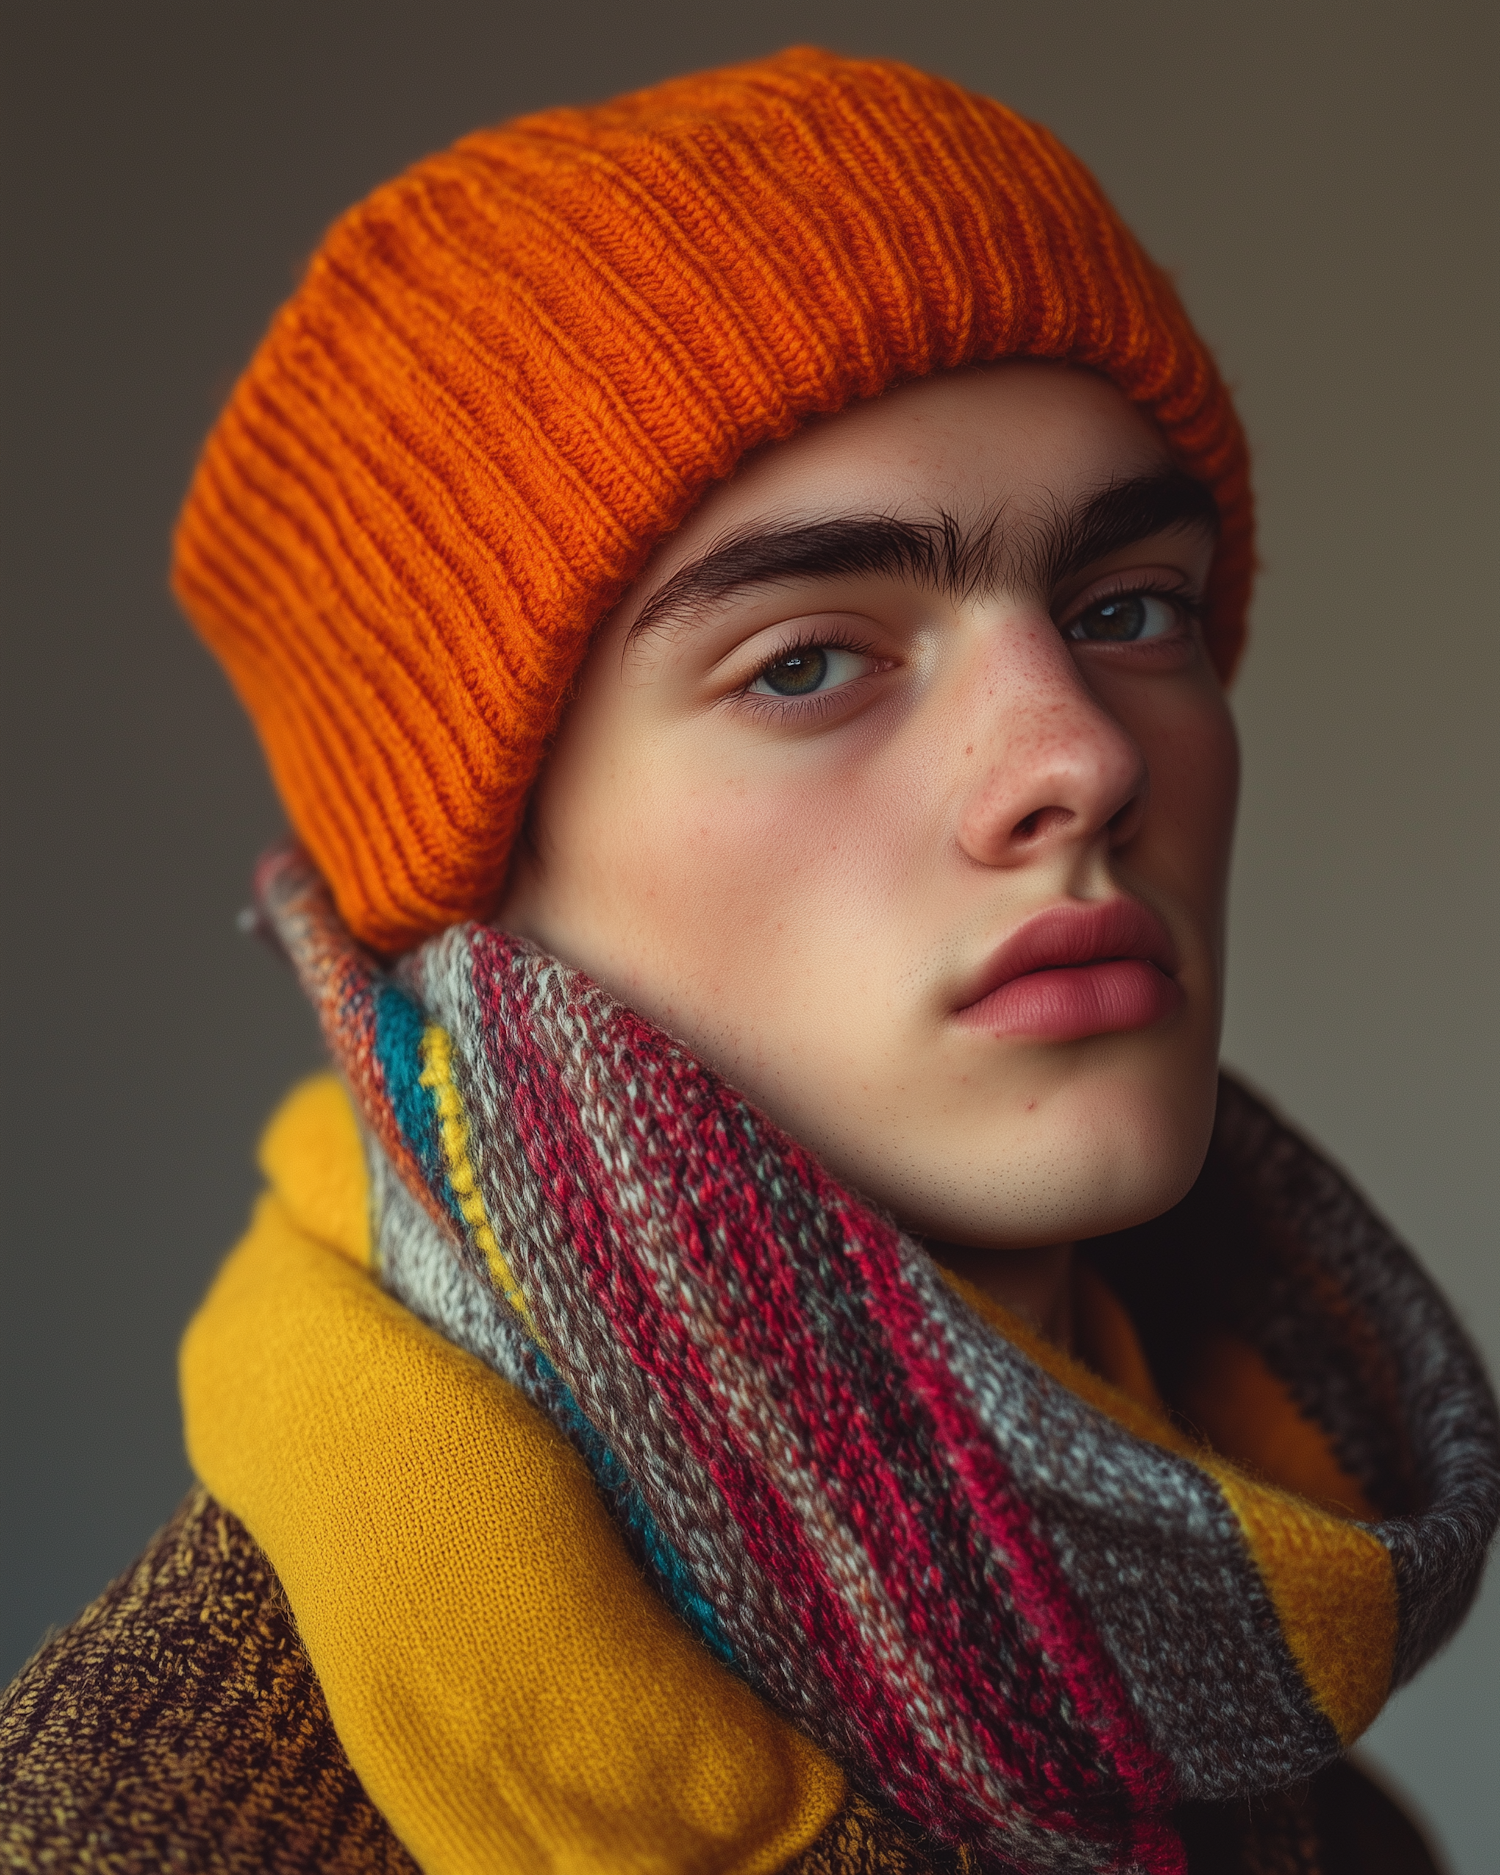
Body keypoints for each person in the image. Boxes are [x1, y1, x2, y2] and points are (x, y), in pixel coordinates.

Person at [2, 47, 1494, 1875]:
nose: (1082, 757)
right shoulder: (147, 1822)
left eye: (1130, 610)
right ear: (473, 876)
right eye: (806, 660)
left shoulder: (1317, 1819)